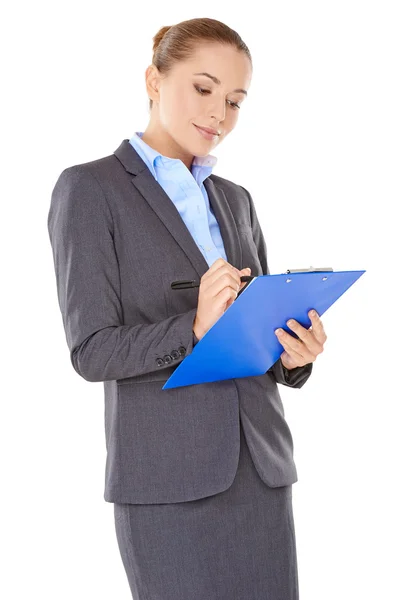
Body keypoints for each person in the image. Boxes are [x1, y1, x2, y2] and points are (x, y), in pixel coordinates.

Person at [47, 17, 327, 600]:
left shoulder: (235, 200)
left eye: (234, 100)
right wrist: (194, 327)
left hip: (262, 471)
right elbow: (91, 350)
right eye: (203, 89)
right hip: (167, 482)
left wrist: (295, 353)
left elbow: (256, 333)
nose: (219, 114)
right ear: (154, 80)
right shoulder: (91, 190)